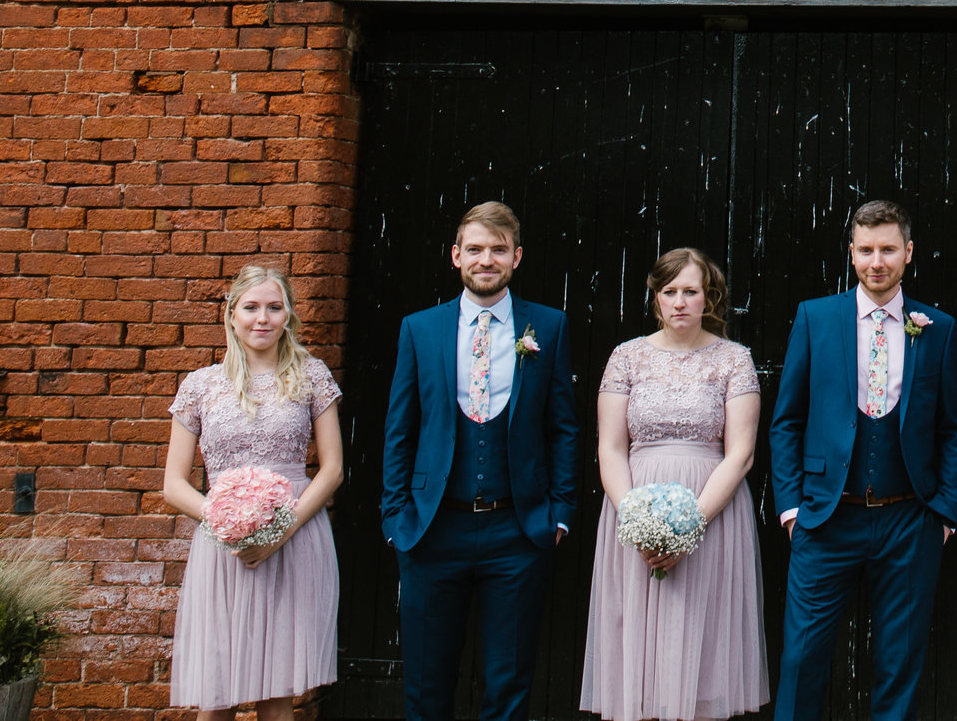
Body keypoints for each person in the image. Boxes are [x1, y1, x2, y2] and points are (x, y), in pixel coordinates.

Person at [381, 201, 583, 721]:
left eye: (497, 249)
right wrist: (396, 516)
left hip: (517, 531)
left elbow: (562, 427)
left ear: (516, 257)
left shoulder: (549, 326)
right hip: (431, 530)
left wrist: (559, 512)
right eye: (474, 249)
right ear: (455, 256)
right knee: (426, 686)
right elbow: (400, 429)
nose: (485, 259)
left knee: (508, 687)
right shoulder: (420, 329)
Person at [769, 200, 957, 721]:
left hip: (910, 517)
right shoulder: (817, 317)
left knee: (899, 663)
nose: (876, 261)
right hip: (826, 517)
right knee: (802, 658)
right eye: (865, 250)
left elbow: (953, 429)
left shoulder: (938, 327)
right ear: (852, 254)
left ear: (908, 253)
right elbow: (787, 419)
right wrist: (791, 507)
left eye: (887, 249)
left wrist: (944, 512)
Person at [581, 248, 768, 721]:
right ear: (656, 298)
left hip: (711, 515)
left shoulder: (733, 359)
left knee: (699, 645)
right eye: (670, 292)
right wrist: (637, 519)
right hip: (634, 513)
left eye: (691, 291)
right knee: (638, 649)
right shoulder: (626, 357)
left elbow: (740, 454)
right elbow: (610, 448)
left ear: (709, 297)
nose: (680, 301)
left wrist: (688, 526)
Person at [162, 265, 344, 721]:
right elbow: (173, 484)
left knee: (276, 693)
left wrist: (280, 531)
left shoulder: (311, 376)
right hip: (223, 547)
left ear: (288, 316)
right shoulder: (200, 386)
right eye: (251, 307)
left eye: (274, 307)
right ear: (231, 315)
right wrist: (226, 522)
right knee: (217, 694)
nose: (262, 318)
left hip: (296, 538)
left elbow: (333, 469)